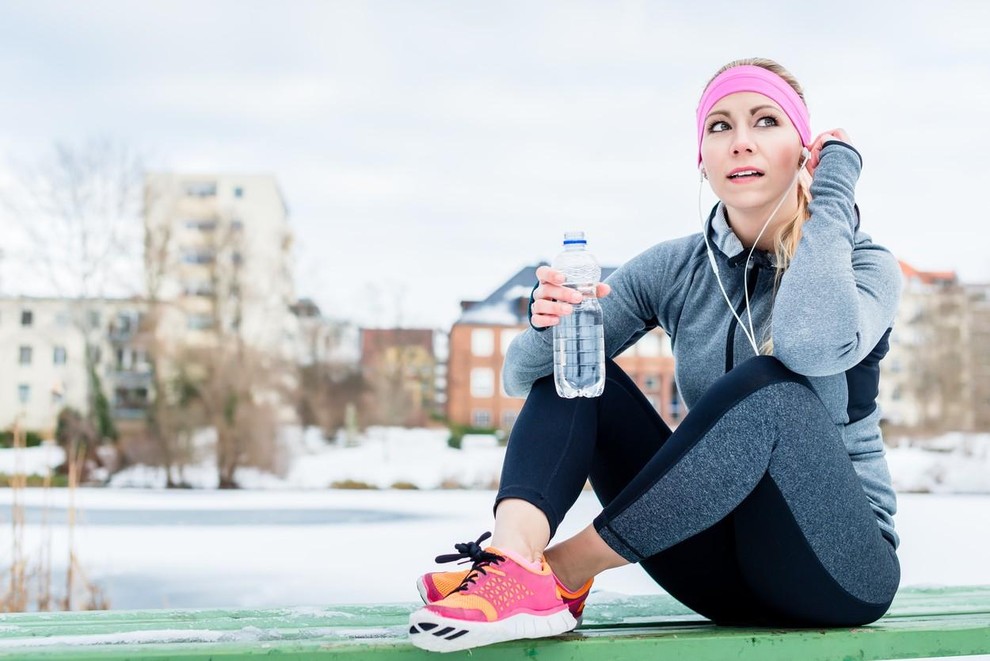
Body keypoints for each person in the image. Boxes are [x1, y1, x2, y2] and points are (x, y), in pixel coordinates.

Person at [408, 57, 902, 654]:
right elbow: (524, 375)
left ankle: (559, 571)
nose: (740, 142)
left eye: (765, 121)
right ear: (702, 159)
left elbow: (808, 344)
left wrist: (834, 190)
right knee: (577, 364)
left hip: (838, 568)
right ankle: (512, 560)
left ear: (804, 150)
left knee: (771, 387)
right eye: (719, 127)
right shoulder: (677, 268)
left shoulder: (862, 265)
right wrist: (554, 322)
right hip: (713, 571)